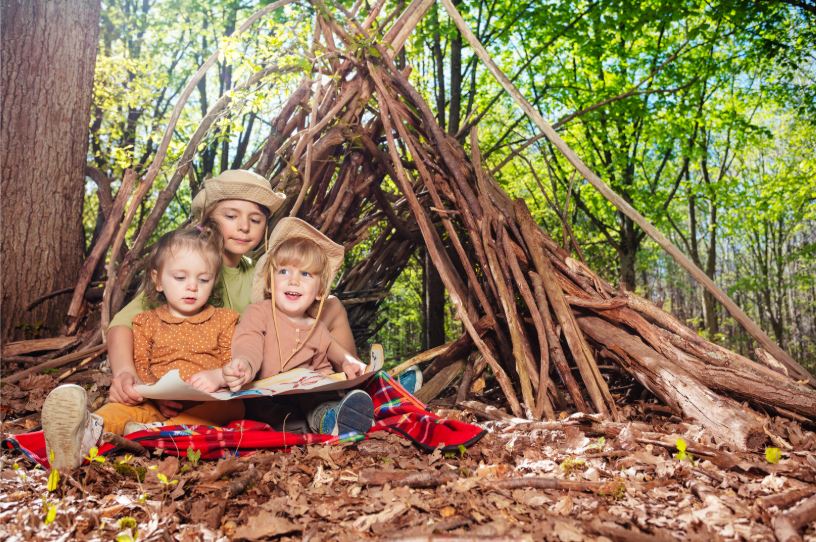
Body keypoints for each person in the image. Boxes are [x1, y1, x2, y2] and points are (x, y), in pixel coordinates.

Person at [104, 170, 358, 420]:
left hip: (260, 365)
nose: (244, 227)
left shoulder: (263, 275)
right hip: (217, 375)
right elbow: (122, 323)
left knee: (332, 305)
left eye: (256, 220)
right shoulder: (188, 269)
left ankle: (355, 386)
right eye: (231, 216)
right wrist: (126, 372)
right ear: (209, 218)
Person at [42, 225, 241, 470]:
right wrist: (154, 395)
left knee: (234, 406)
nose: (192, 286)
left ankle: (156, 433)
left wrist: (218, 376)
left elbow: (232, 362)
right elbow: (141, 367)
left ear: (214, 281)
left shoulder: (224, 320)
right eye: (180, 278)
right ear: (158, 281)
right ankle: (79, 436)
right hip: (156, 403)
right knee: (119, 409)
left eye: (203, 279)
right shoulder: (146, 322)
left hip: (204, 402)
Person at [223, 217, 375, 436]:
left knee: (318, 398)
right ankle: (303, 426)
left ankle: (332, 420)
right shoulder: (260, 312)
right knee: (257, 405)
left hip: (308, 397)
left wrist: (348, 361)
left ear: (321, 291)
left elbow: (336, 350)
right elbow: (249, 341)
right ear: (269, 283)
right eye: (284, 272)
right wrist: (245, 363)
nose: (293, 281)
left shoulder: (316, 327)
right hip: (266, 397)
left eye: (305, 274)